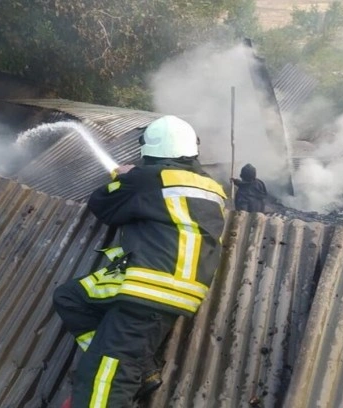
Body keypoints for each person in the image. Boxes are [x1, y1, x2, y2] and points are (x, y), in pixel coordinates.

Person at [53, 115, 227, 408]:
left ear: (151, 148)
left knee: (104, 376)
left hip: (148, 286)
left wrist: (121, 176)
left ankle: (121, 365)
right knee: (70, 298)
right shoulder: (213, 188)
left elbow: (103, 206)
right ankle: (142, 369)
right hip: (179, 288)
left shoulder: (148, 178)